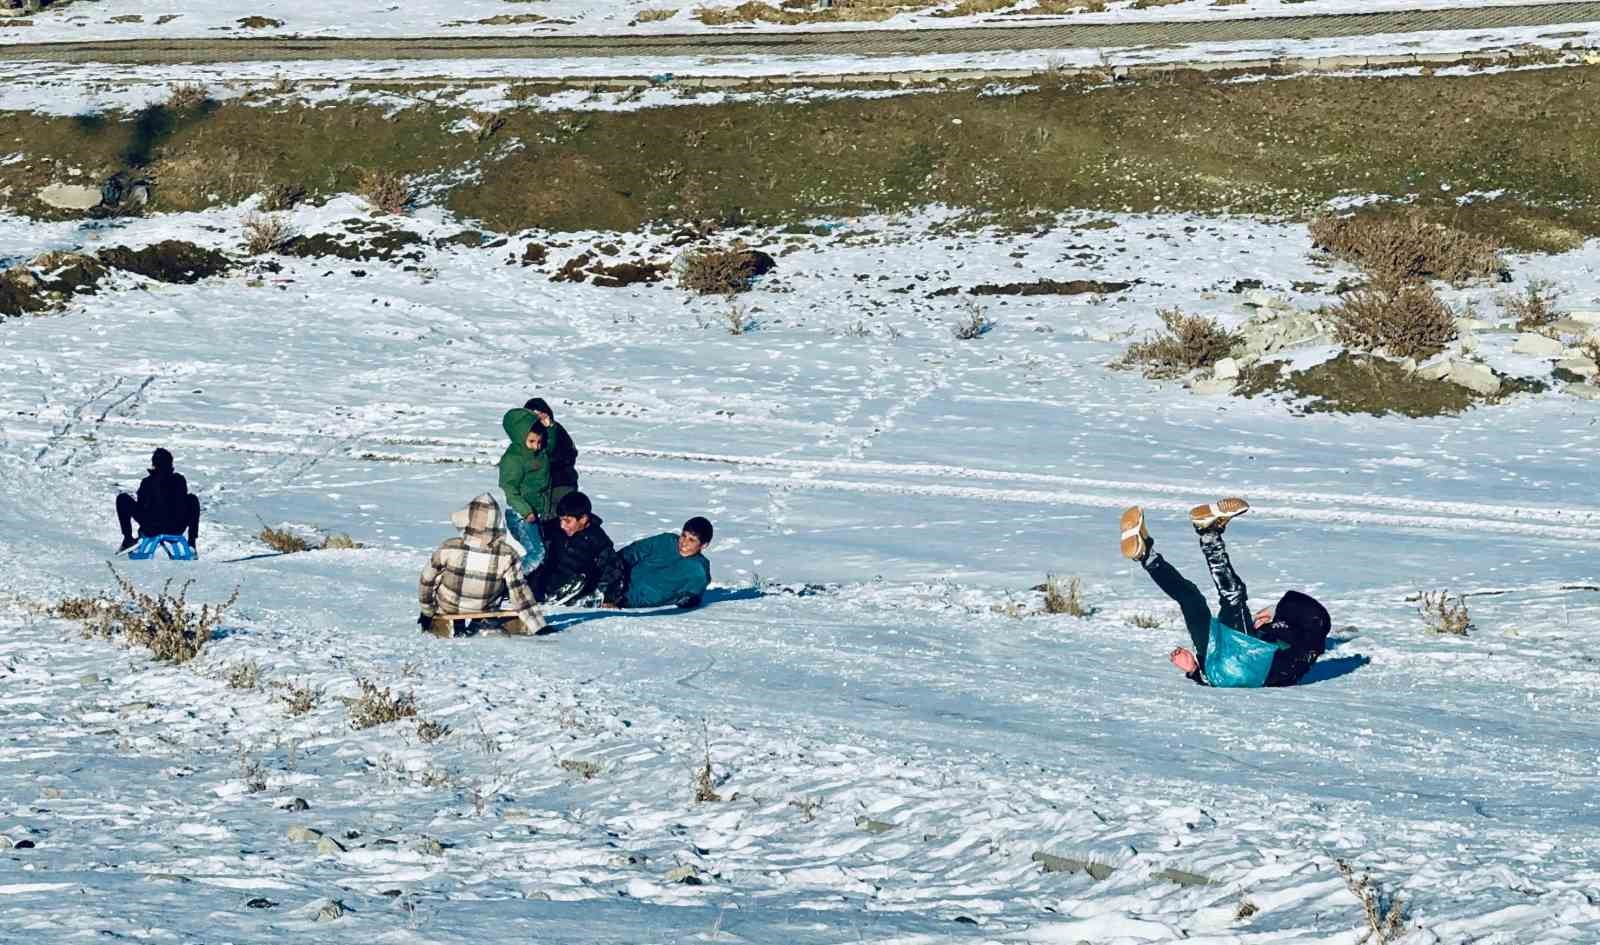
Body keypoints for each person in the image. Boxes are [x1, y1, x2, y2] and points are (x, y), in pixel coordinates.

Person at [1120, 498, 1330, 687]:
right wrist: (1194, 670)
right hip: (1216, 668)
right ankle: (1145, 554)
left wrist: (1274, 612)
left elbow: (1311, 616)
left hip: (1242, 661)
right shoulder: (1295, 650)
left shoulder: (1308, 640)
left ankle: (1209, 532)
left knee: (1233, 596)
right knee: (1190, 598)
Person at [418, 494, 545, 636]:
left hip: (449, 606)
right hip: (485, 606)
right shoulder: (507, 554)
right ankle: (483, 622)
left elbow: (427, 580)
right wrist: (537, 625)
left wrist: (427, 611)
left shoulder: (449, 547)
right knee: (506, 582)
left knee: (441, 575)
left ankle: (456, 625)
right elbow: (519, 591)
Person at [528, 491, 624, 604]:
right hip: (544, 584)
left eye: (567, 521)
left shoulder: (597, 539)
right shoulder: (552, 529)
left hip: (576, 587)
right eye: (561, 520)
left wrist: (609, 598)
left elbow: (612, 571)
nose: (562, 525)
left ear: (583, 519)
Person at [602, 516, 714, 610]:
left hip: (627, 602)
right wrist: (611, 579)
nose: (684, 542)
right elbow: (631, 553)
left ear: (704, 545)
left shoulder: (698, 571)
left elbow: (689, 596)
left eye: (691, 540)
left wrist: (689, 600)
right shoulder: (665, 541)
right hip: (611, 582)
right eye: (683, 535)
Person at [116, 447, 201, 553]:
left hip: (151, 529)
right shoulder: (179, 480)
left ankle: (128, 539)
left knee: (122, 498)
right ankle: (192, 542)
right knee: (192, 499)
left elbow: (141, 506)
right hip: (176, 527)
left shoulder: (147, 482)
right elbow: (182, 504)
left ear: (154, 464)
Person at [498, 407, 553, 568]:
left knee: (541, 554)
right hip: (521, 515)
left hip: (537, 511)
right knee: (537, 554)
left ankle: (530, 587)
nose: (536, 446)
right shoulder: (513, 459)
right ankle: (512, 584)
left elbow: (554, 445)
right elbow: (509, 488)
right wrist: (526, 511)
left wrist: (549, 425)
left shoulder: (539, 452)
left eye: (539, 442)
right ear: (520, 437)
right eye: (531, 442)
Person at [524, 398, 579, 540]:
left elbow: (564, 454)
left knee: (558, 523)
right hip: (544, 487)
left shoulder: (555, 430)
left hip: (560, 485)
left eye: (539, 414)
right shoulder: (532, 434)